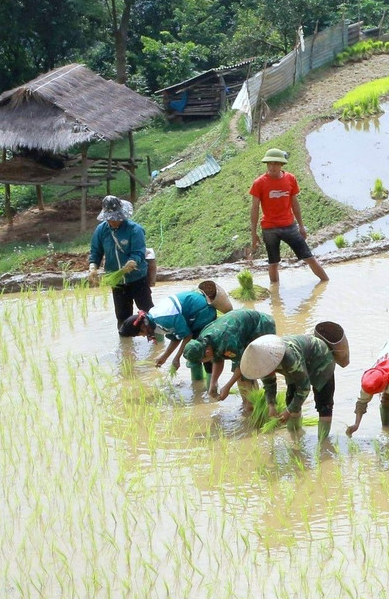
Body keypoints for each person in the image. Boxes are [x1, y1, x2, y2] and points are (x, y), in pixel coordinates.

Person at [249, 148, 329, 284]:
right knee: (273, 263)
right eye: (269, 164)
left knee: (309, 257)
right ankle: (275, 292)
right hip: (269, 228)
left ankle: (326, 282)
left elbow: (295, 204)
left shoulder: (290, 179)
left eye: (275, 163)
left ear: (281, 164)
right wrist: (254, 233)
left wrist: (301, 226)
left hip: (289, 226)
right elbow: (254, 209)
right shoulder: (259, 183)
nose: (272, 167)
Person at [240, 332, 342, 432]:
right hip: (299, 361)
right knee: (291, 398)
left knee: (324, 405)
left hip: (320, 358)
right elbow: (269, 384)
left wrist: (288, 411)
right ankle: (296, 435)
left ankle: (323, 441)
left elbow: (304, 388)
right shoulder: (262, 363)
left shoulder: (289, 358)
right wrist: (271, 405)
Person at [182, 308, 277, 412]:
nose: (202, 363)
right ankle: (247, 404)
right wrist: (213, 383)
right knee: (242, 376)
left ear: (207, 352)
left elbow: (242, 365)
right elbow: (217, 359)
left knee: (250, 370)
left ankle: (255, 406)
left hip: (261, 326)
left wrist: (227, 387)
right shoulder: (205, 341)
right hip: (241, 330)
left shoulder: (228, 342)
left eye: (201, 361)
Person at [121, 282, 231, 371]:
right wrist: (164, 356)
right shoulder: (154, 320)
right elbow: (176, 337)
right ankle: (199, 384)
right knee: (193, 352)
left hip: (203, 312)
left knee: (198, 348)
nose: (143, 336)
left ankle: (210, 385)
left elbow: (187, 335)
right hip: (193, 313)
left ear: (143, 326)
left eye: (140, 333)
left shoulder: (163, 320)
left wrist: (177, 357)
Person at [87, 195, 153, 333]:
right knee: (122, 316)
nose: (113, 221)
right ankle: (125, 343)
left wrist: (133, 261)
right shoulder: (101, 230)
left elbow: (139, 251)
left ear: (122, 215)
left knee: (148, 311)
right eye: (110, 218)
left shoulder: (135, 230)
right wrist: (93, 266)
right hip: (117, 281)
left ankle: (157, 338)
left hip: (137, 278)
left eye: (115, 218)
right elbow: (96, 251)